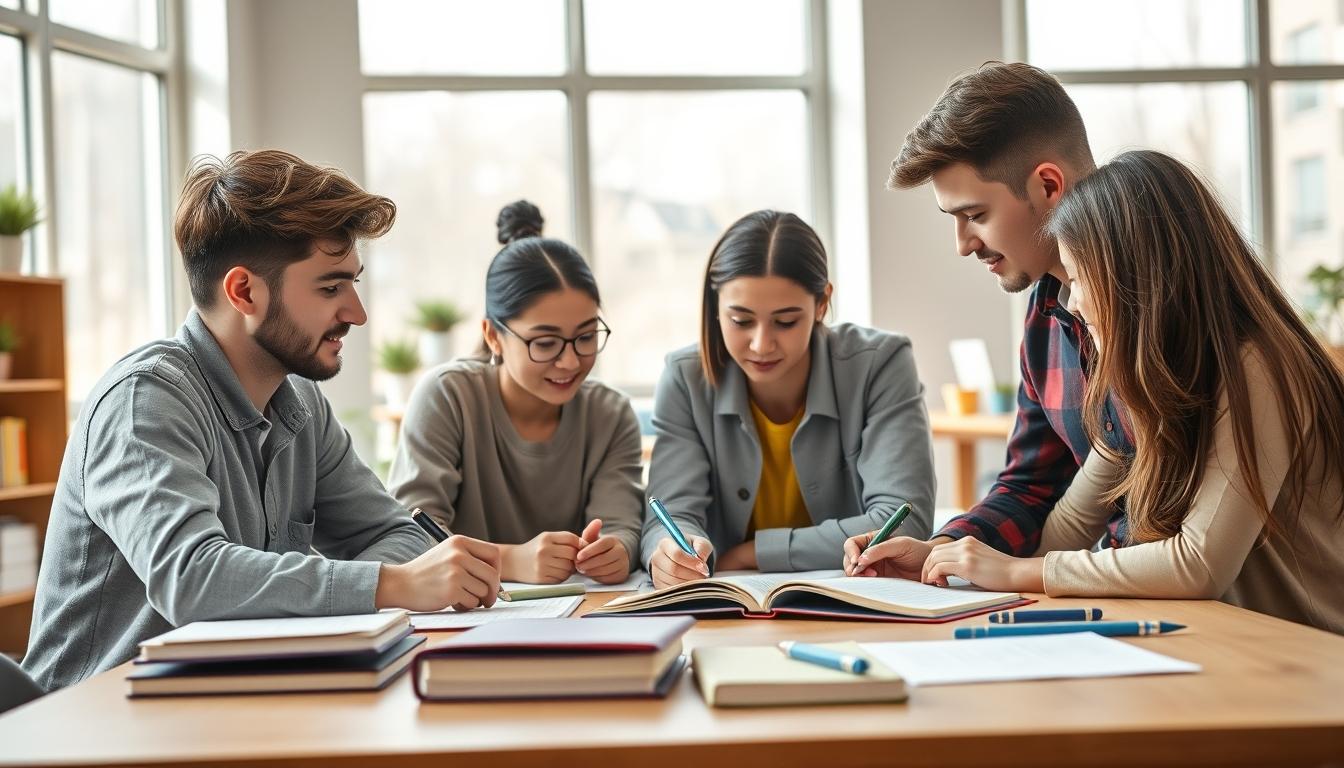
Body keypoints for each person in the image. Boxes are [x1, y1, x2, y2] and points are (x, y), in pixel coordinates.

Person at [23, 150, 501, 692]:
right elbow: (193, 579)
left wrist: (400, 579)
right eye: (330, 288)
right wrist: (390, 584)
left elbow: (395, 533)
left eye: (353, 284)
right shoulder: (145, 401)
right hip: (92, 732)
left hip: (233, 705)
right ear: (244, 292)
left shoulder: (298, 400)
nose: (357, 313)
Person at [859, 150, 1344, 633]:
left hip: (1307, 653)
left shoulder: (1258, 366)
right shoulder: (1139, 379)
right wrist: (944, 556)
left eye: (1080, 276)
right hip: (1227, 639)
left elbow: (1198, 563)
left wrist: (1014, 571)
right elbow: (1068, 527)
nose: (1074, 300)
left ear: (1142, 278)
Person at [843, 61, 1120, 578]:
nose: (963, 245)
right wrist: (940, 549)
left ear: (1048, 187)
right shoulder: (1044, 317)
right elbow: (1030, 487)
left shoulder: (1168, 310)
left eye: (975, 215)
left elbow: (1196, 547)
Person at [642, 209, 935, 589]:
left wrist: (756, 553)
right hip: (726, 606)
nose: (761, 344)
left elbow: (902, 520)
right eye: (741, 320)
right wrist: (668, 552)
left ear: (822, 303)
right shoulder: (684, 377)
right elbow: (669, 517)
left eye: (785, 321)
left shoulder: (881, 363)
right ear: (716, 307)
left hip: (855, 602)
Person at [388, 201, 643, 585]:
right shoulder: (449, 397)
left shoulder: (610, 413)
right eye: (545, 343)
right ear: (494, 336)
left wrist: (617, 550)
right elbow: (408, 535)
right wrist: (509, 561)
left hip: (583, 618)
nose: (571, 362)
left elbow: (622, 524)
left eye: (586, 337)